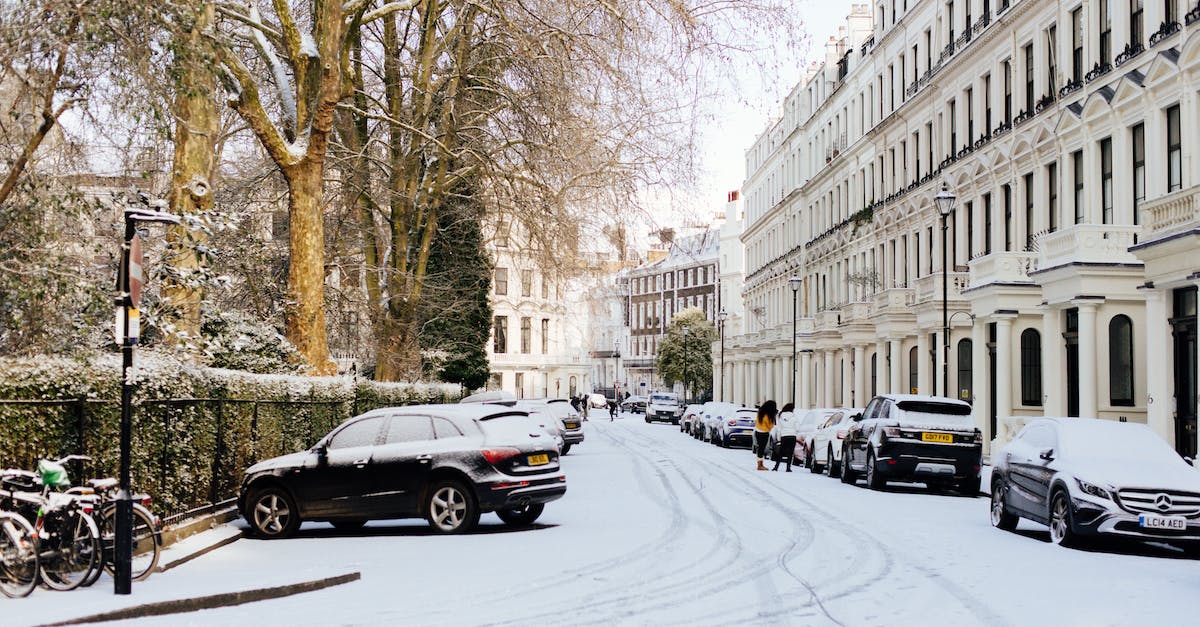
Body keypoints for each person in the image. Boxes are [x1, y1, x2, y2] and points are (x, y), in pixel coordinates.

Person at [753, 400, 778, 471]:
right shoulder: (768, 415)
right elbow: (770, 425)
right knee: (762, 449)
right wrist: (774, 417)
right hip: (764, 433)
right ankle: (760, 465)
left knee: (760, 449)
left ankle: (760, 464)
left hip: (757, 432)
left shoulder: (760, 412)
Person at [773, 402, 797, 472]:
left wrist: (778, 437)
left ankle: (776, 467)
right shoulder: (794, 417)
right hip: (792, 436)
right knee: (790, 452)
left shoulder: (780, 416)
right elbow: (797, 427)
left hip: (784, 436)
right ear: (792, 409)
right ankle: (788, 468)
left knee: (781, 452)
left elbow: (779, 428)